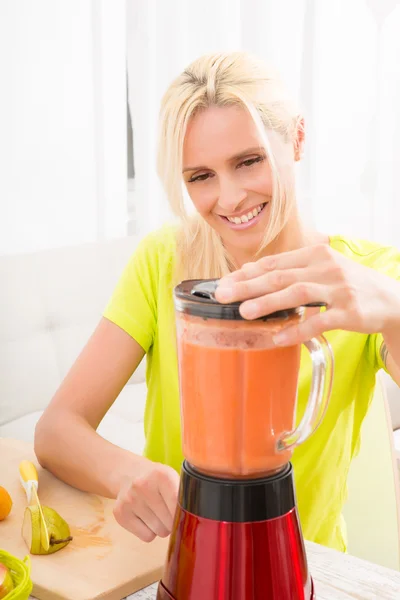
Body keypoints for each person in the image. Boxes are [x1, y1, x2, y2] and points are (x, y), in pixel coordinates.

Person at [34, 51, 400, 553]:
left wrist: (395, 310)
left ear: (296, 138)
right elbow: (57, 429)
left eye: (248, 162)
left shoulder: (368, 277)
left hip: (305, 563)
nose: (228, 199)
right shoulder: (164, 261)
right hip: (176, 555)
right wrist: (127, 475)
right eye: (200, 176)